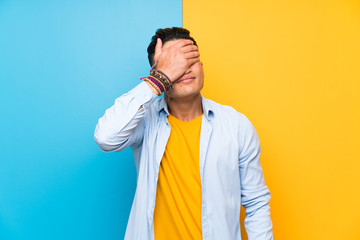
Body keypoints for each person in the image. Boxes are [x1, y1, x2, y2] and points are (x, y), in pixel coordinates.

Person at [94, 27, 273, 240]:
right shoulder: (144, 121)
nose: (184, 69)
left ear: (202, 67)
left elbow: (256, 204)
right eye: (174, 64)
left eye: (190, 61)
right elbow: (106, 138)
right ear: (158, 73)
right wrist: (158, 80)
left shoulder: (236, 125)